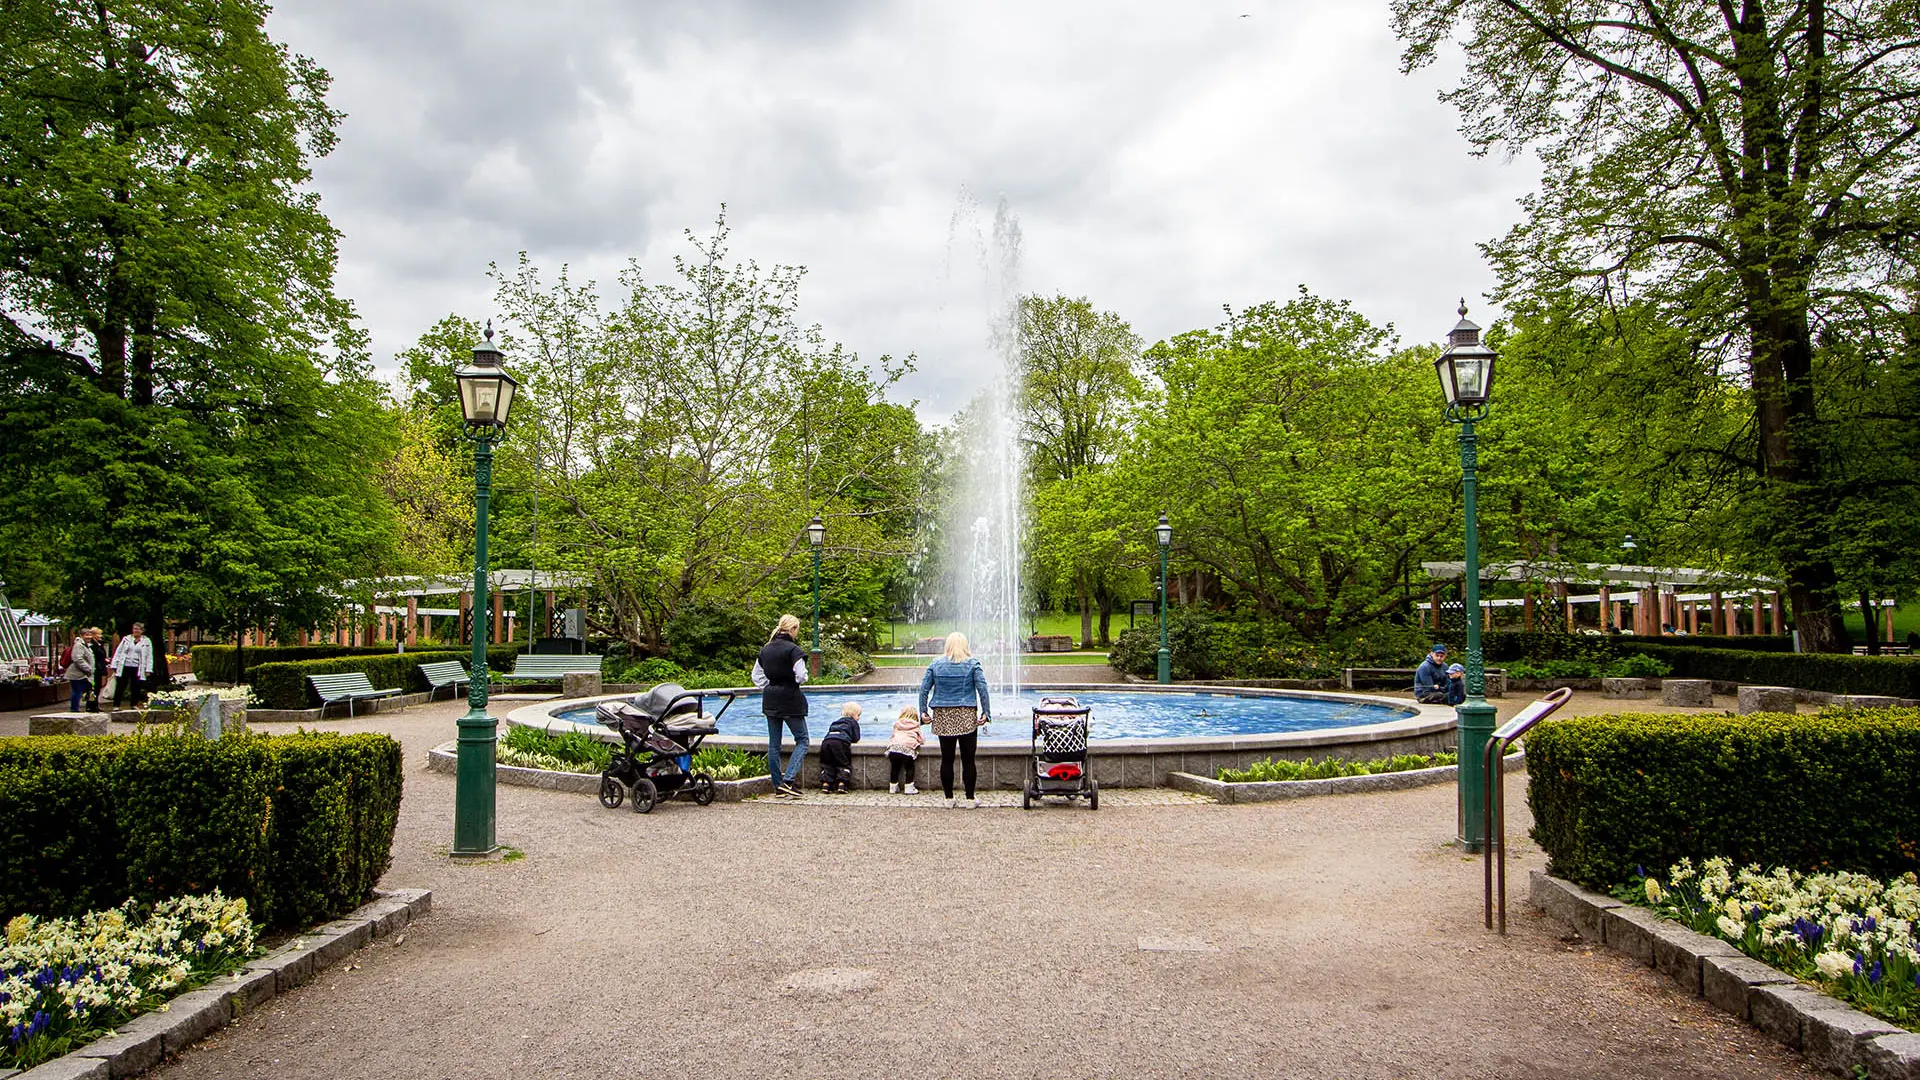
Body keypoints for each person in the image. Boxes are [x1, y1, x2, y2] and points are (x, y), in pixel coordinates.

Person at [918, 631, 991, 809]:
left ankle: (948, 798)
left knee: (947, 758)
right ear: (965, 646)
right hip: (966, 713)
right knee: (968, 759)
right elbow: (983, 689)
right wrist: (986, 713)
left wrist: (923, 711)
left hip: (943, 714)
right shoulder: (973, 664)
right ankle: (970, 799)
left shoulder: (936, 664)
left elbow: (923, 689)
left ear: (948, 646)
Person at [752, 613, 810, 799]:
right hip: (790, 697)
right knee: (802, 740)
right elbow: (801, 675)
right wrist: (793, 682)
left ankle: (778, 785)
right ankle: (789, 781)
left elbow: (756, 676)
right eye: (797, 629)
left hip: (770, 698)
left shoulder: (765, 649)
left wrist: (770, 687)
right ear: (793, 629)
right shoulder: (793, 650)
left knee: (774, 745)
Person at [819, 702, 862, 794]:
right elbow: (856, 738)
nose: (859, 718)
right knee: (843, 764)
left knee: (827, 764)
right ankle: (842, 784)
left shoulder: (836, 722)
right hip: (840, 743)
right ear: (853, 714)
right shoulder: (853, 722)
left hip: (826, 742)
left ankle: (826, 785)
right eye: (858, 715)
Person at [111, 622, 154, 708]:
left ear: (142, 631)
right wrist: (114, 664)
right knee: (120, 686)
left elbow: (149, 656)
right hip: (125, 665)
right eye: (134, 629)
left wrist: (148, 669)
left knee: (136, 686)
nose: (136, 631)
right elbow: (118, 652)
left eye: (138, 629)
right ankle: (116, 705)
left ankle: (134, 704)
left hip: (138, 666)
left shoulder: (146, 641)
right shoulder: (126, 639)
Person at [887, 706, 924, 794]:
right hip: (907, 749)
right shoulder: (915, 725)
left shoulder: (897, 724)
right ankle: (909, 787)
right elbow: (921, 739)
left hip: (894, 748)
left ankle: (893, 787)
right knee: (909, 768)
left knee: (894, 768)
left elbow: (892, 736)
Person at [62, 630, 95, 712]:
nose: (89, 637)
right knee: (77, 691)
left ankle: (90, 707)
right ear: (81, 635)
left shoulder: (87, 645)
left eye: (90, 635)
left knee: (88, 689)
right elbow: (77, 658)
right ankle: (74, 710)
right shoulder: (79, 645)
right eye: (86, 635)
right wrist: (88, 668)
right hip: (76, 674)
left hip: (84, 674)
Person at [86, 628, 109, 711]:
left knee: (97, 688)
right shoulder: (92, 645)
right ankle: (91, 705)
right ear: (93, 635)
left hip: (100, 668)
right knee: (93, 688)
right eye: (98, 634)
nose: (100, 636)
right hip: (95, 669)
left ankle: (95, 704)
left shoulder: (99, 644)